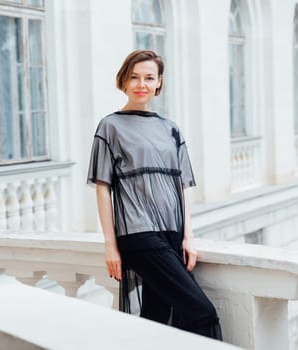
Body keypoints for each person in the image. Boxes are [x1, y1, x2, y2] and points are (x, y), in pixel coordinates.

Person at [87, 50, 222, 340]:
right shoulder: (110, 126)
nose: (141, 84)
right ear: (123, 80)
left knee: (155, 319)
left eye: (149, 78)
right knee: (201, 311)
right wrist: (110, 244)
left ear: (159, 83)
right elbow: (103, 187)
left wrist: (189, 236)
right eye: (134, 77)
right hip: (138, 234)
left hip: (171, 233)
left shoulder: (170, 129)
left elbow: (181, 187)